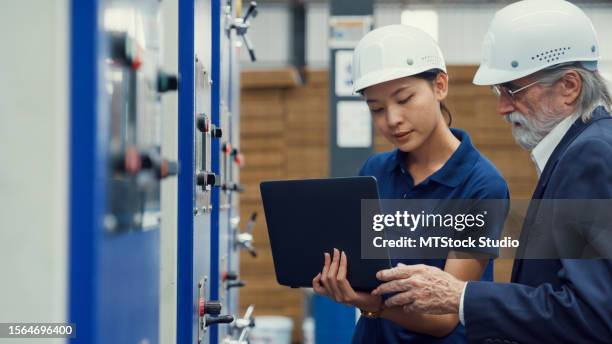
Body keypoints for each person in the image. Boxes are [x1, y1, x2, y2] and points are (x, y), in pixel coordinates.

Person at [373, 1, 612, 343]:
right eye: (498, 91)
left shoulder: (591, 156)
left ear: (569, 87)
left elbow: (595, 316)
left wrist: (461, 297)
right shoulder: (581, 150)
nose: (501, 107)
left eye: (512, 90)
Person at [311, 25, 509, 343]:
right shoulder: (374, 171)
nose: (392, 119)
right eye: (376, 108)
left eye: (404, 99)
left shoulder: (483, 186)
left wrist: (372, 305)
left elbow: (444, 316)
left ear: (440, 85)